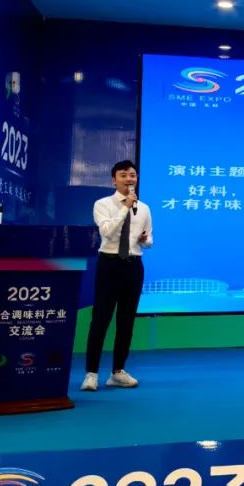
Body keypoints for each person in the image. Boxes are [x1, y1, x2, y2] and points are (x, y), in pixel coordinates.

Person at [81, 160, 153, 391]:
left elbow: (150, 239)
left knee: (126, 320)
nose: (129, 179)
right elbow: (107, 231)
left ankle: (118, 372)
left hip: (133, 265)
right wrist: (125, 207)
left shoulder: (144, 208)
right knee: (100, 319)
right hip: (109, 264)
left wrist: (145, 240)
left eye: (133, 175)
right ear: (114, 180)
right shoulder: (102, 204)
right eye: (124, 175)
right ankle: (91, 373)